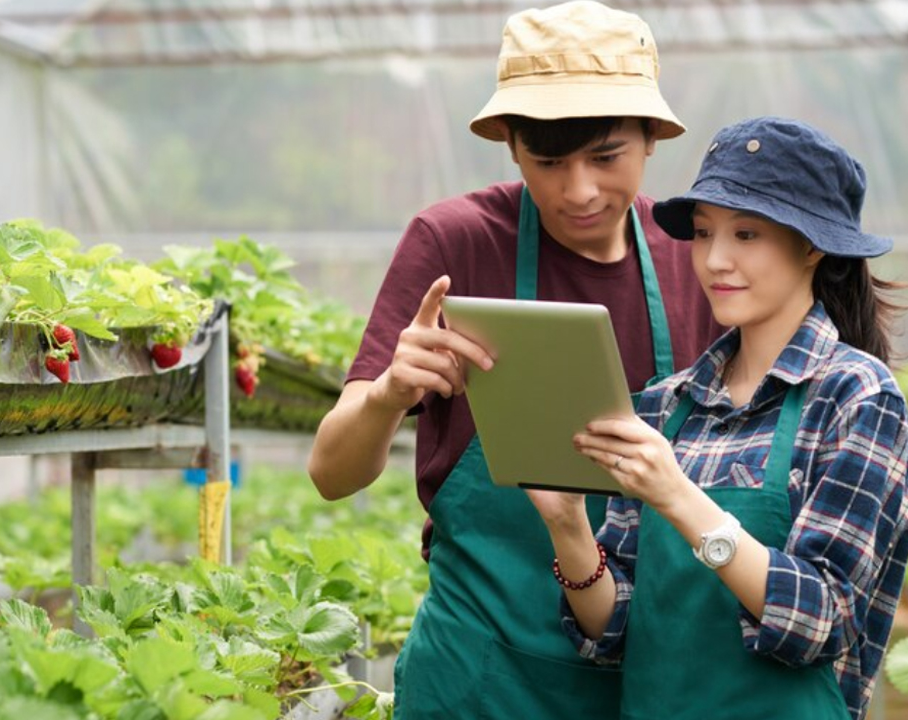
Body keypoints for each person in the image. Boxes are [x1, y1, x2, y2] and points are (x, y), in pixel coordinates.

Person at [308, 2, 722, 717]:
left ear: (653, 138)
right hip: (478, 675)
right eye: (549, 162)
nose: (579, 190)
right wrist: (386, 396)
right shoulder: (458, 242)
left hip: (648, 672)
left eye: (606, 157)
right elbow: (331, 474)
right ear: (511, 147)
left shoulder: (696, 259)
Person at [527, 116, 908, 720]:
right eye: (703, 233)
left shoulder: (856, 398)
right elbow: (611, 635)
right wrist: (569, 527)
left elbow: (820, 618)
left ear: (812, 245)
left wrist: (676, 494)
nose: (715, 260)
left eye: (746, 234)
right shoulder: (667, 404)